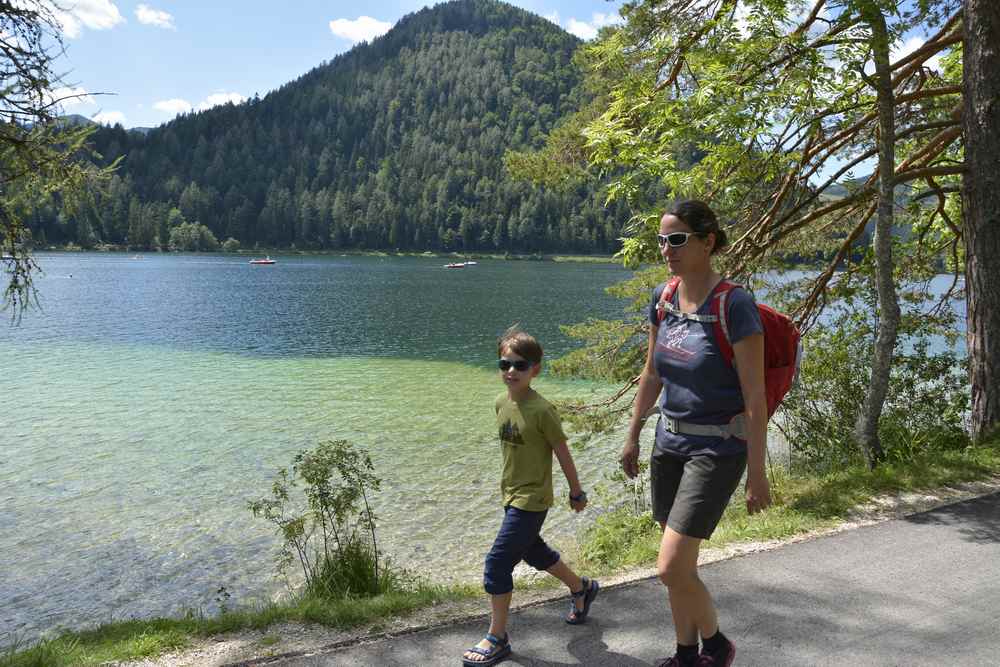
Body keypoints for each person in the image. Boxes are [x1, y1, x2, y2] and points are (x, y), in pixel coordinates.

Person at [620, 200, 771, 667]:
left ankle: (716, 644)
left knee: (669, 567)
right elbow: (651, 374)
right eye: (662, 240)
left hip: (717, 448)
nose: (667, 249)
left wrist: (758, 474)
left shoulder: (735, 305)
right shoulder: (663, 298)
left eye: (678, 239)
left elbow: (755, 397)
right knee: (680, 570)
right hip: (669, 442)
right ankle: (686, 654)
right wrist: (633, 434)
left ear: (708, 242)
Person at [462, 328, 599, 666]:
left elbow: (562, 451)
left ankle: (497, 637)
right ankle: (581, 588)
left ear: (535, 369)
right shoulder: (500, 404)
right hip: (510, 495)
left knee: (497, 563)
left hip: (533, 499)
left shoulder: (542, 410)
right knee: (533, 551)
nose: (511, 371)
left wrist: (576, 491)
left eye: (520, 365)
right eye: (505, 363)